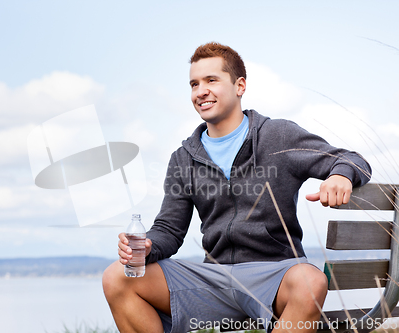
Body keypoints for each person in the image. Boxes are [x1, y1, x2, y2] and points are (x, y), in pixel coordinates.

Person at [102, 42, 372, 333]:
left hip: (276, 274)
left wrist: (340, 176)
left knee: (311, 281)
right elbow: (169, 230)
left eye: (211, 80)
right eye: (194, 84)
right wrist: (147, 246)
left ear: (240, 85)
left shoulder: (277, 136)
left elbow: (352, 160)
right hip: (212, 278)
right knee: (117, 277)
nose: (200, 91)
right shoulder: (183, 158)